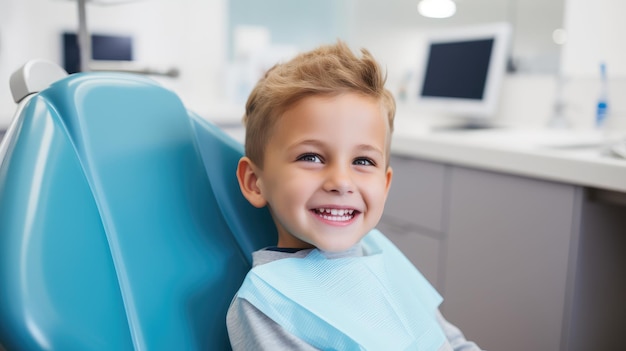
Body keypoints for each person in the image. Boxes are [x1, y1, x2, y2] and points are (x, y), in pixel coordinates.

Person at [226, 41, 481, 351]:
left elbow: (449, 341)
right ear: (255, 182)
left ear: (385, 185)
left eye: (363, 161)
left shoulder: (379, 254)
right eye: (311, 157)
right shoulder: (269, 301)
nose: (341, 182)